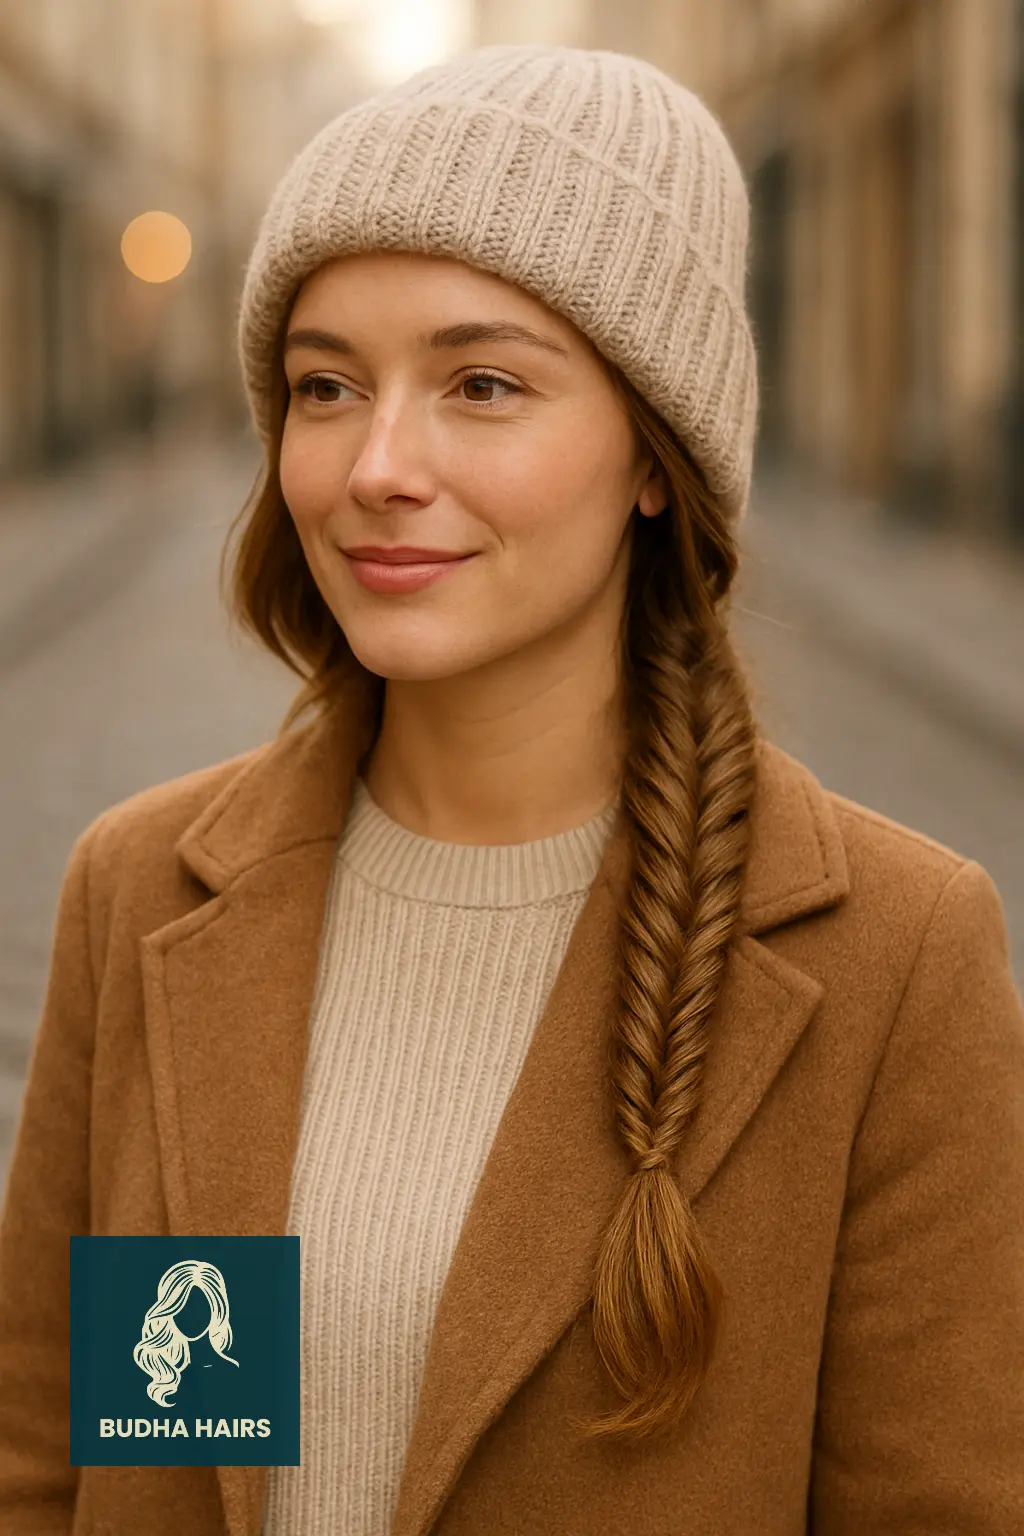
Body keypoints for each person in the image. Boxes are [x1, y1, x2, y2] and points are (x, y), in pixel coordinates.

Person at [0, 42, 1022, 1536]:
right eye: (325, 385)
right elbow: (65, 1466)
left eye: (482, 384)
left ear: (654, 459)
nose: (377, 465)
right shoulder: (142, 886)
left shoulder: (893, 956)